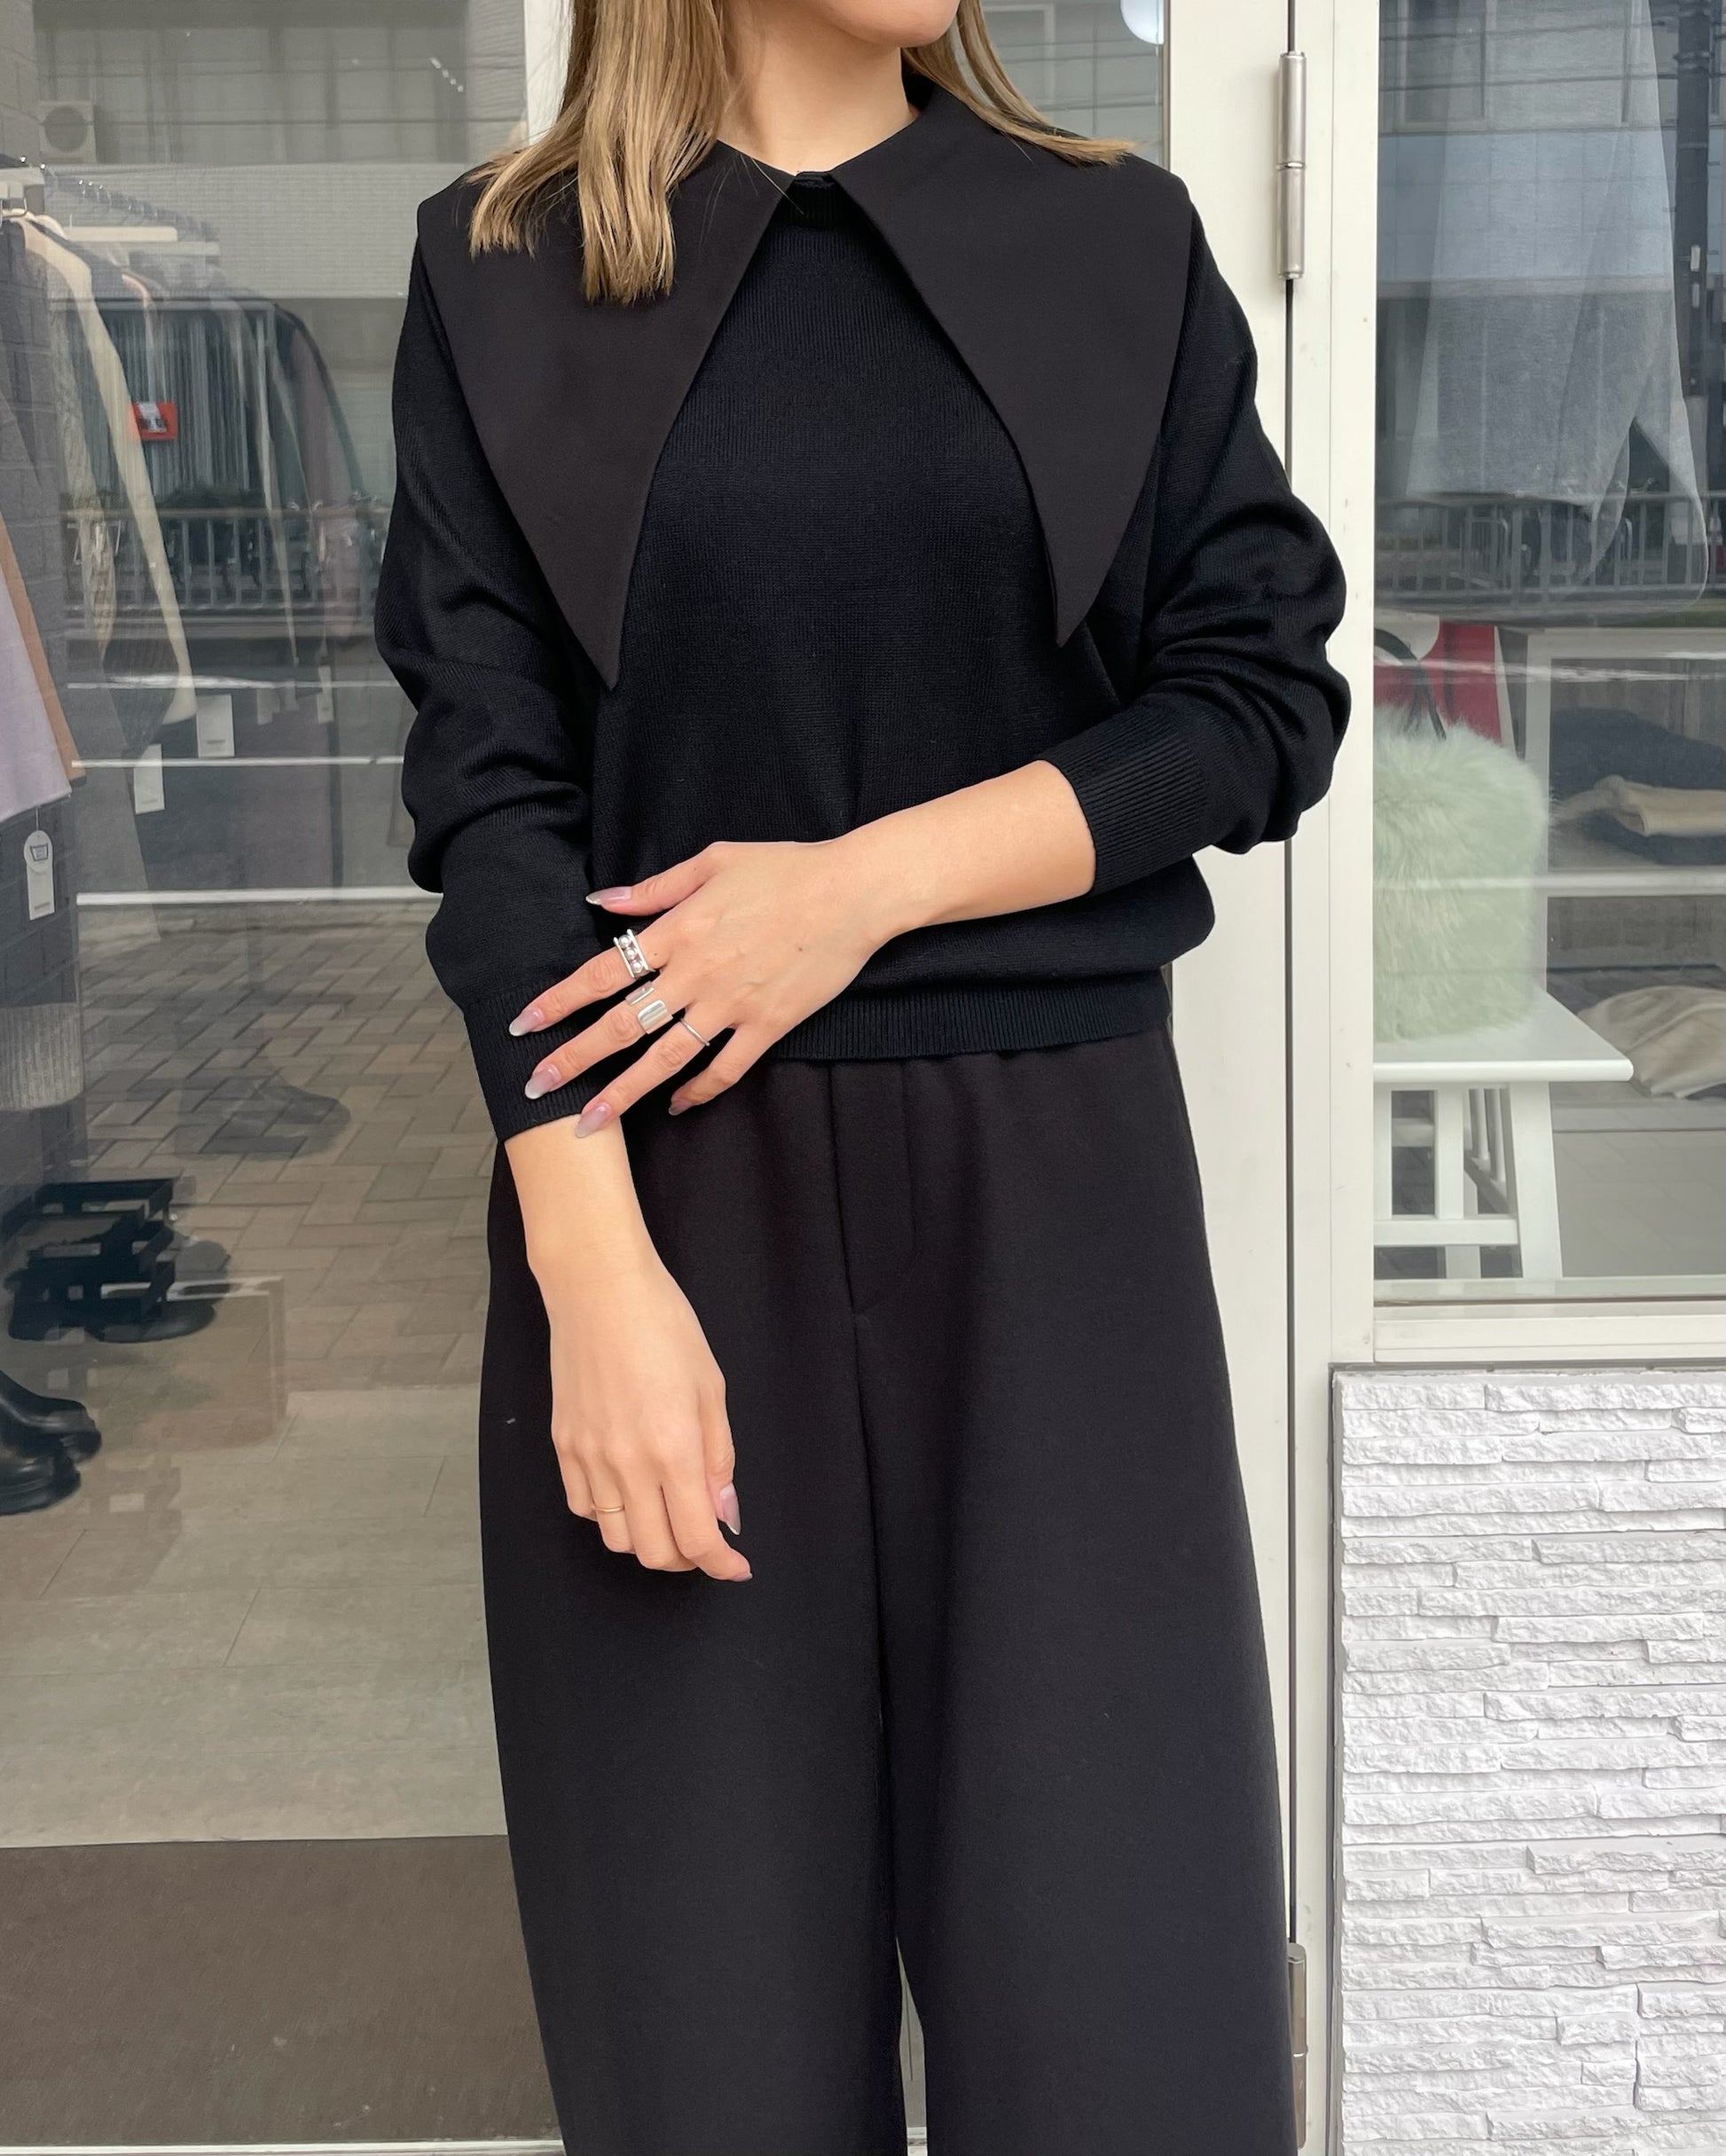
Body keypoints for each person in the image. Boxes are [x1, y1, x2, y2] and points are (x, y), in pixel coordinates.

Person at [376, 1, 1348, 2150]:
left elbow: (1258, 695)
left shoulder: (1111, 241)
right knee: (704, 2036)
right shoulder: (503, 269)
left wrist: (857, 890)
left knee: (1123, 2020)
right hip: (662, 1202)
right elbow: (490, 799)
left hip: (1059, 1209)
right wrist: (590, 1271)